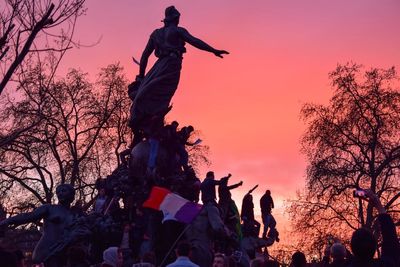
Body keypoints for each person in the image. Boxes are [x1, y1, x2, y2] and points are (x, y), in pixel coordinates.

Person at [129, 6, 229, 133]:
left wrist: (141, 77)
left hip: (158, 66)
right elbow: (195, 41)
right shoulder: (178, 31)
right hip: (171, 65)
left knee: (149, 91)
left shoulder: (156, 34)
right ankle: (152, 121)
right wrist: (213, 50)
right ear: (174, 18)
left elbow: (145, 56)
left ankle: (148, 120)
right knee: (163, 93)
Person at [0, 184, 77, 267]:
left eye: (63, 191)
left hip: (66, 251)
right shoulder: (49, 208)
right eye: (58, 192)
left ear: (72, 194)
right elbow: (28, 216)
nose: (60, 193)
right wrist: (8, 221)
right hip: (48, 249)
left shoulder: (76, 214)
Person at [348, 190, 400, 267]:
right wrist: (379, 206)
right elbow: (391, 241)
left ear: (352, 248)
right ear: (374, 246)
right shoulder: (387, 264)